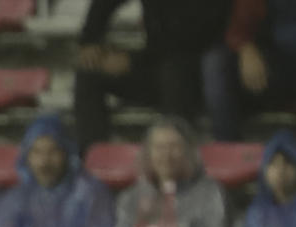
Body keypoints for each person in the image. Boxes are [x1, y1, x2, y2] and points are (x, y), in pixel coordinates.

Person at [72, 0, 219, 146]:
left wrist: (131, 61)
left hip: (202, 74)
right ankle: (95, 159)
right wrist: (89, 40)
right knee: (89, 70)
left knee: (176, 71)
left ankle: (174, 155)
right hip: (156, 67)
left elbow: (192, 39)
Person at [206, 0, 296, 142]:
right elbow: (239, 29)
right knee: (215, 62)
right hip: (276, 72)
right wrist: (246, 47)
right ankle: (229, 152)